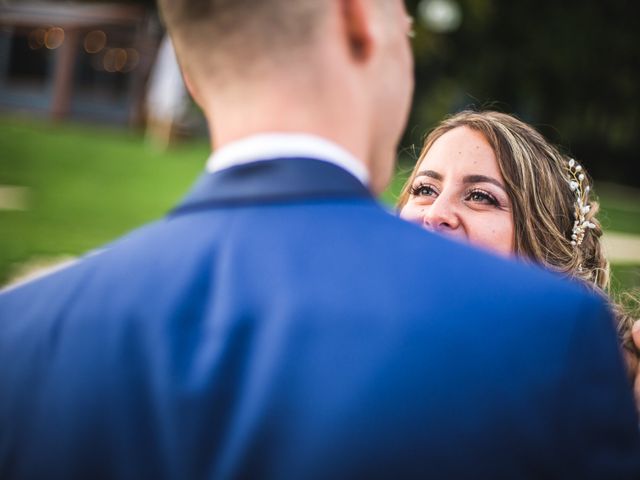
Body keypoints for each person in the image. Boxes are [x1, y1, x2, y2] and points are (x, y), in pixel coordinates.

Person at [1, 2, 639, 478]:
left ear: (192, 75)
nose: (439, 212)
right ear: (363, 22)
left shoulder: (18, 331)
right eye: (407, 33)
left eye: (480, 195)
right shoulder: (547, 337)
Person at [398, 110, 640, 399]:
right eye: (425, 189)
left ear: (542, 241)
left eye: (480, 196)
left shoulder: (594, 388)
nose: (435, 214)